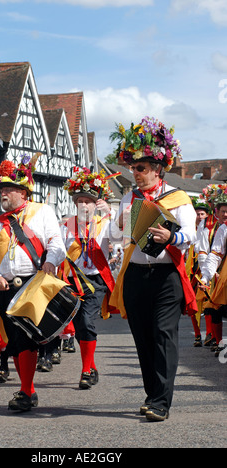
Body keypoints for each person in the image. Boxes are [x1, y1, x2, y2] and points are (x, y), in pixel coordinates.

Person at [109, 117, 197, 421]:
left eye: (141, 168)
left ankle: (161, 401)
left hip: (165, 274)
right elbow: (113, 234)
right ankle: (152, 394)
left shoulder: (177, 198)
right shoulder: (128, 197)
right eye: (133, 168)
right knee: (143, 336)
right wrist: (116, 228)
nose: (135, 172)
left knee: (163, 334)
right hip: (135, 274)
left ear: (157, 170)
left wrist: (171, 236)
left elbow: (192, 235)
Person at [0, 153, 66, 412]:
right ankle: (28, 389)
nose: (2, 193)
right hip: (7, 286)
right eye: (1, 189)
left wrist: (52, 261)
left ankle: (26, 390)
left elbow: (55, 242)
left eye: (8, 189)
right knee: (15, 340)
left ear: (23, 192)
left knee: (28, 338)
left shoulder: (42, 212)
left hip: (33, 283)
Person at [60, 166, 121, 389]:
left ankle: (86, 370)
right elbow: (57, 251)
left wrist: (111, 213)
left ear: (96, 204)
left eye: (88, 201)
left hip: (95, 282)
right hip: (72, 281)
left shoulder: (106, 224)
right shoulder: (66, 226)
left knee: (86, 321)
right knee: (78, 325)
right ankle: (91, 365)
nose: (84, 205)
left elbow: (124, 236)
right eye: (80, 201)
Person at [196, 185, 227, 350]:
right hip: (220, 274)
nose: (225, 214)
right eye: (223, 210)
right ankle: (216, 339)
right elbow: (213, 253)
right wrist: (207, 275)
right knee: (214, 306)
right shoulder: (218, 228)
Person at [186, 196, 212, 347]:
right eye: (198, 214)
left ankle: (209, 333)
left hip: (206, 267)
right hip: (192, 269)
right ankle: (197, 334)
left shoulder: (210, 229)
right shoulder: (188, 228)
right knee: (193, 302)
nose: (200, 217)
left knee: (208, 300)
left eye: (203, 214)